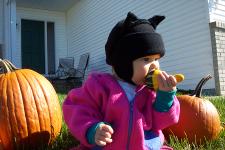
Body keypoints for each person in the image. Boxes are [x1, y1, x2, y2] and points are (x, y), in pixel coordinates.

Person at [63, 12, 180, 150]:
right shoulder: (99, 86)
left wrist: (165, 98)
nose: (155, 65)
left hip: (145, 146)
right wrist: (91, 129)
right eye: (146, 59)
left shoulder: (151, 93)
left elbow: (159, 123)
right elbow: (77, 108)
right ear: (123, 62)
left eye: (156, 59)